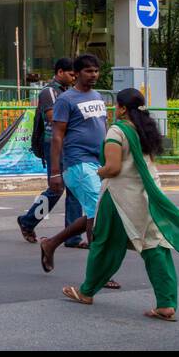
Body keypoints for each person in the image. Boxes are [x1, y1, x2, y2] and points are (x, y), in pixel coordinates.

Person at [62, 88, 179, 320]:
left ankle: (86, 292)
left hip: (121, 198)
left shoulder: (117, 130)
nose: (114, 109)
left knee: (104, 244)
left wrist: (99, 171)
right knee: (155, 246)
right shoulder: (148, 130)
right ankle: (166, 304)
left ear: (122, 108)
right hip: (148, 196)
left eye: (116, 105)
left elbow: (113, 168)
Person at [39, 53, 114, 276]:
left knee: (94, 213)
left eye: (96, 71)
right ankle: (99, 274)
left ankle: (51, 243)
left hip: (97, 162)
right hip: (78, 163)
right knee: (98, 215)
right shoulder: (66, 100)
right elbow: (57, 136)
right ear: (77, 74)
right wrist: (54, 172)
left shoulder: (98, 96)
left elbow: (103, 129)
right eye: (88, 71)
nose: (93, 75)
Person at [18, 57, 83, 247]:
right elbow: (53, 117)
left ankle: (73, 237)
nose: (73, 78)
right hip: (53, 143)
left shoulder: (68, 92)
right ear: (60, 72)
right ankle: (28, 221)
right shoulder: (49, 92)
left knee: (73, 189)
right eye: (71, 74)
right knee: (56, 188)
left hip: (69, 144)